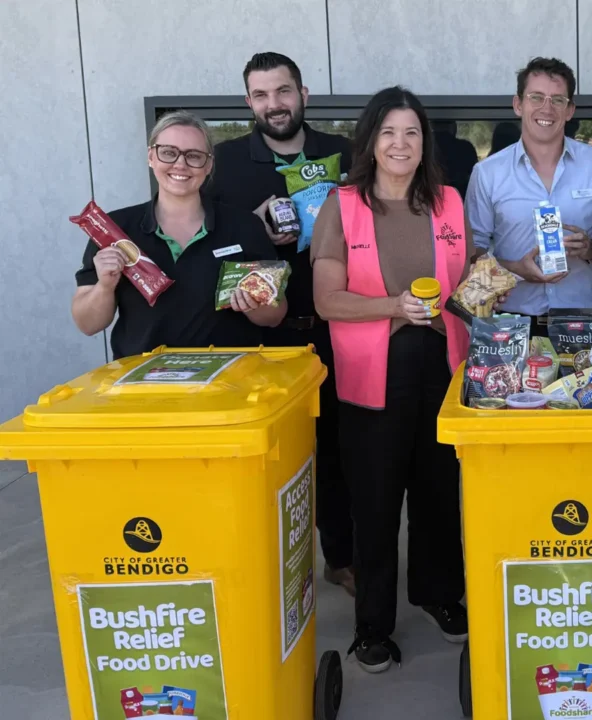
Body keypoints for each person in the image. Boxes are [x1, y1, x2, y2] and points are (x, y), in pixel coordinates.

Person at [311, 86, 472, 674]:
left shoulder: (449, 202)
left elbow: (468, 278)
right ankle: (372, 625)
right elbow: (328, 300)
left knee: (437, 494)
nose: (400, 143)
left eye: (411, 132)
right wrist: (394, 307)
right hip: (371, 378)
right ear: (370, 142)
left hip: (442, 369)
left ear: (424, 141)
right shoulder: (344, 204)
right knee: (375, 505)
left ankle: (438, 595)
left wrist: (497, 282)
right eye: (388, 132)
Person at [209, 52, 357, 598]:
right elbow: (206, 233)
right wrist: (253, 232)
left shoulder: (342, 154)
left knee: (340, 450)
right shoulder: (223, 162)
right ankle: (260, 565)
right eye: (261, 95)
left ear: (304, 94)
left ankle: (341, 558)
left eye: (283, 91)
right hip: (259, 333)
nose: (274, 105)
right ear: (249, 102)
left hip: (333, 325)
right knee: (269, 455)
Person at [72, 111, 286, 355]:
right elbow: (88, 325)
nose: (180, 164)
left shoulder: (244, 225)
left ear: (209, 165)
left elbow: (274, 316)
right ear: (151, 156)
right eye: (168, 152)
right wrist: (105, 286)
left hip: (229, 383)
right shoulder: (115, 229)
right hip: (144, 385)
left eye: (194, 156)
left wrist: (253, 305)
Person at [466, 57, 592, 336]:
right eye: (536, 97)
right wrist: (515, 270)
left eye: (557, 100)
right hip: (510, 316)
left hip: (579, 319)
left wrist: (591, 248)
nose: (546, 108)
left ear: (570, 110)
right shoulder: (487, 173)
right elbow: (471, 252)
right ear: (518, 104)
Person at [433, 120, 478, 199]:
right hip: (461, 198)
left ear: (431, 126)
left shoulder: (423, 147)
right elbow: (474, 177)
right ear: (453, 127)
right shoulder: (465, 148)